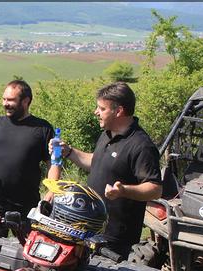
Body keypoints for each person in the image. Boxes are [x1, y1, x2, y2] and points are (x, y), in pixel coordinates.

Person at [55, 82, 162, 259]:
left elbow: (155, 189)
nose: (96, 112)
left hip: (115, 239)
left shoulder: (141, 146)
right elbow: (96, 162)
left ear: (118, 111)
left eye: (101, 108)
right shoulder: (107, 133)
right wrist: (69, 151)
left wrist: (124, 191)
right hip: (88, 227)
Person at [0, 80, 61, 238]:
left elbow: (53, 163)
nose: (5, 104)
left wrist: (52, 191)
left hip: (26, 203)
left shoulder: (43, 128)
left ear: (26, 101)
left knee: (31, 252)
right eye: (4, 99)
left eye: (10, 100)